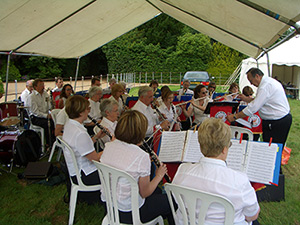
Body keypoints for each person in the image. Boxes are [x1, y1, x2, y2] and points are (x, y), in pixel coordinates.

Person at [172, 118, 260, 224]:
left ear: (201, 146)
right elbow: (252, 215)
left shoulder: (182, 171)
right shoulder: (239, 181)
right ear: (224, 149)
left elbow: (177, 200)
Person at [100, 110, 175, 224]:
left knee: (158, 192)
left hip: (110, 206)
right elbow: (145, 193)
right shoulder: (141, 156)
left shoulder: (109, 146)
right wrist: (159, 175)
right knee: (173, 200)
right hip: (131, 212)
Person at [227, 68, 292, 146]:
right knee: (269, 146)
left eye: (251, 81)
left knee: (273, 148)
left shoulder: (265, 86)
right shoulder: (268, 82)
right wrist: (247, 99)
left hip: (277, 121)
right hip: (275, 120)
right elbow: (262, 100)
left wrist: (235, 116)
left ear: (257, 76)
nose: (251, 84)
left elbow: (253, 108)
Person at [63, 95, 107, 205]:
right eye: (88, 109)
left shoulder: (69, 125)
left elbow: (80, 147)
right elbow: (95, 158)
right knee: (117, 169)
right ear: (81, 112)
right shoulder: (80, 133)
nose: (89, 112)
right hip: (85, 175)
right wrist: (112, 147)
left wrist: (96, 137)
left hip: (75, 171)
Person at [29, 78, 55, 147]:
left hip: (45, 114)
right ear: (35, 87)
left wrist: (51, 105)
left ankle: (54, 140)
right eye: (40, 85)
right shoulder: (32, 97)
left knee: (55, 121)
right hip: (36, 117)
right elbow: (35, 112)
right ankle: (49, 143)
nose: (43, 87)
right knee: (47, 124)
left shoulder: (45, 94)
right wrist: (46, 116)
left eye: (43, 85)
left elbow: (48, 106)